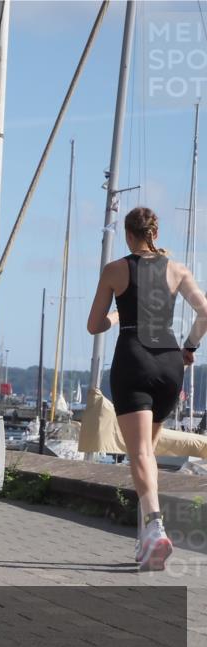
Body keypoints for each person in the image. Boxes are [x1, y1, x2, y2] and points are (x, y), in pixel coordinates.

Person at [86, 206, 207, 572]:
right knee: (149, 455)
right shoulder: (177, 269)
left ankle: (155, 527)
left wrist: (117, 315)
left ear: (128, 235)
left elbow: (94, 325)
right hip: (170, 362)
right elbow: (205, 312)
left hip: (134, 358)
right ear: (154, 232)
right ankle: (145, 541)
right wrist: (190, 347)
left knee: (138, 453)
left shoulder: (115, 269)